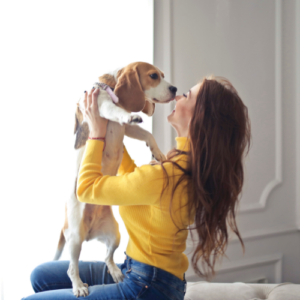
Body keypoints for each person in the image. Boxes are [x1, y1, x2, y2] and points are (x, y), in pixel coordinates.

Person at [23, 75, 251, 300]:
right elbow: (134, 178)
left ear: (200, 116)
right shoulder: (186, 164)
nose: (178, 97)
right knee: (41, 276)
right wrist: (112, 128)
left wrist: (96, 134)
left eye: (187, 95)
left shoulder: (167, 175)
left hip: (147, 287)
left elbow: (86, 189)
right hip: (148, 276)